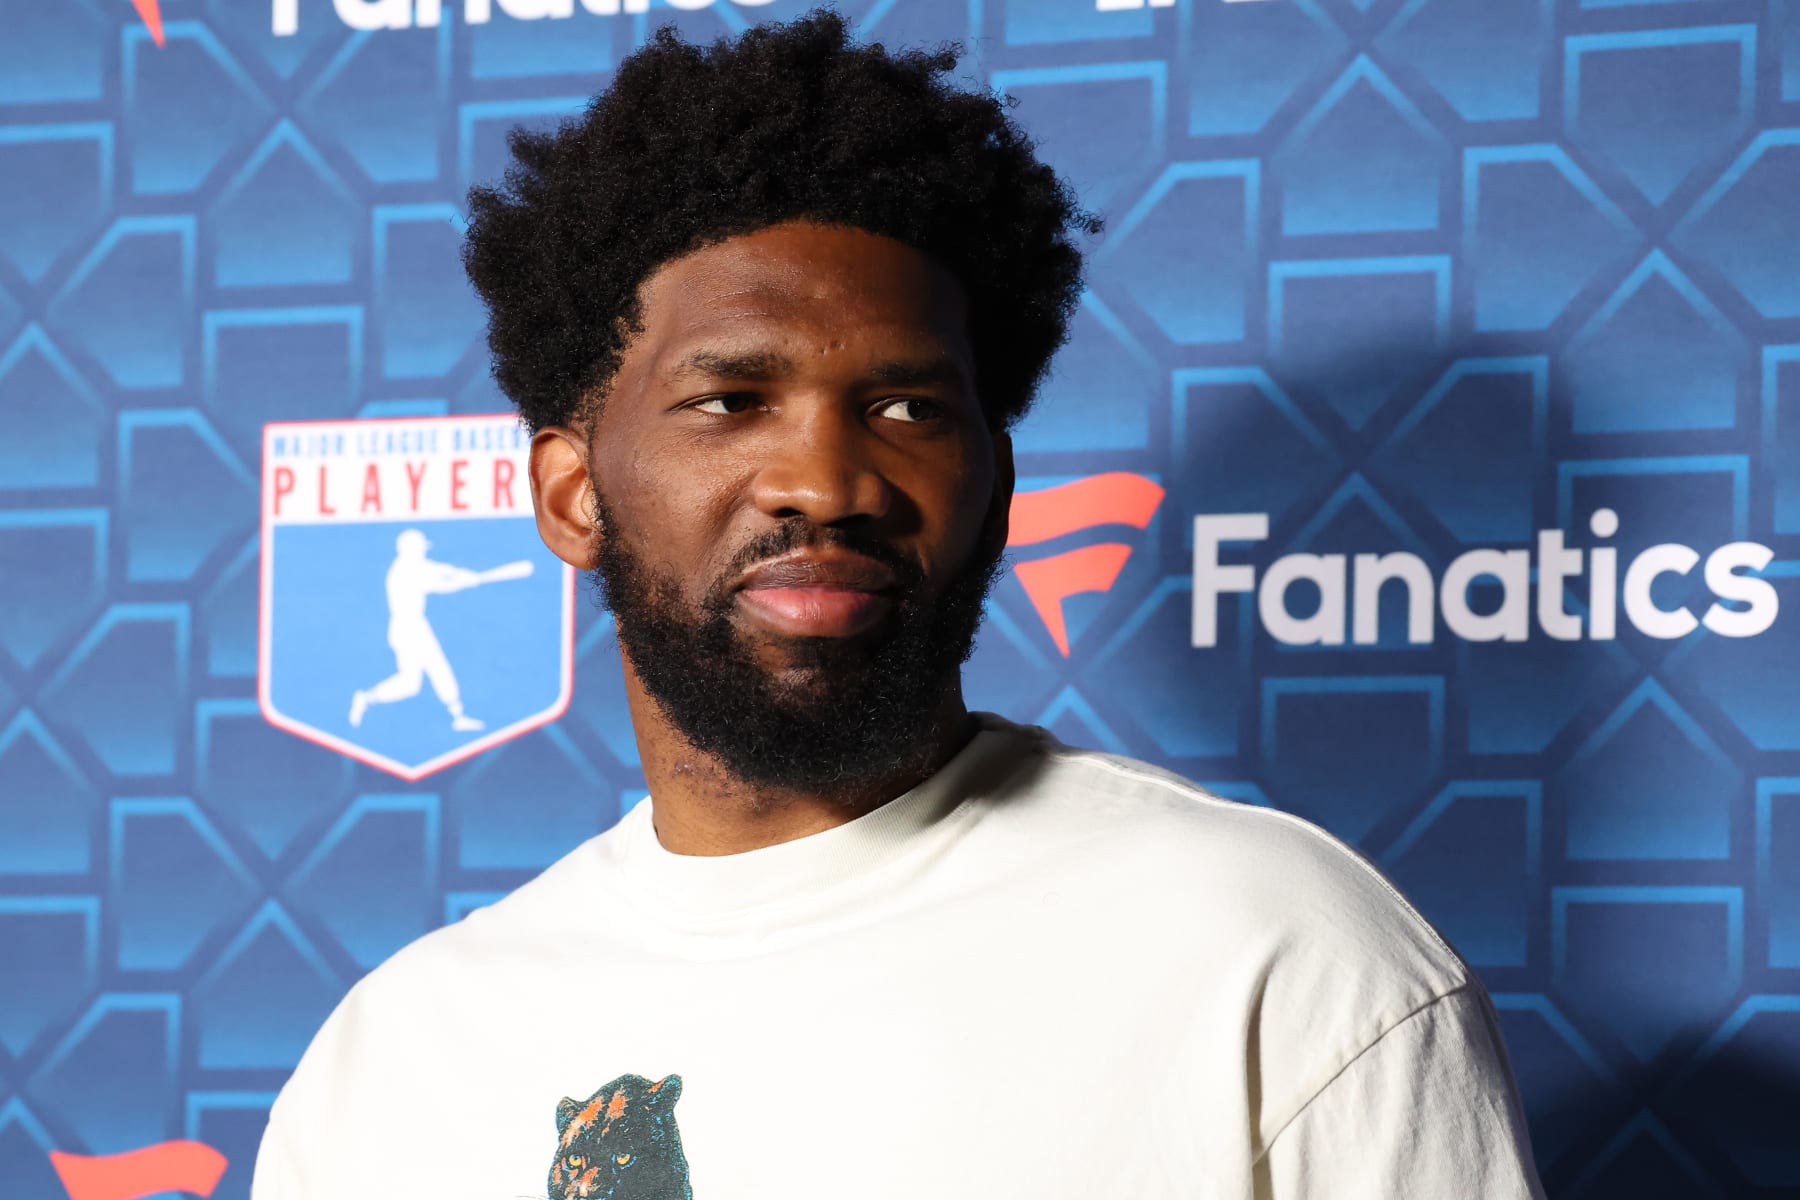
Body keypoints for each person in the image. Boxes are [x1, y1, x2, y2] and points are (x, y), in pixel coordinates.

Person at [252, 13, 1546, 1199]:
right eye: (730, 401)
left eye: (908, 407)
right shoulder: (400, 1060)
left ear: (996, 483)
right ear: (573, 492)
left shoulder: (1276, 954)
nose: (825, 480)